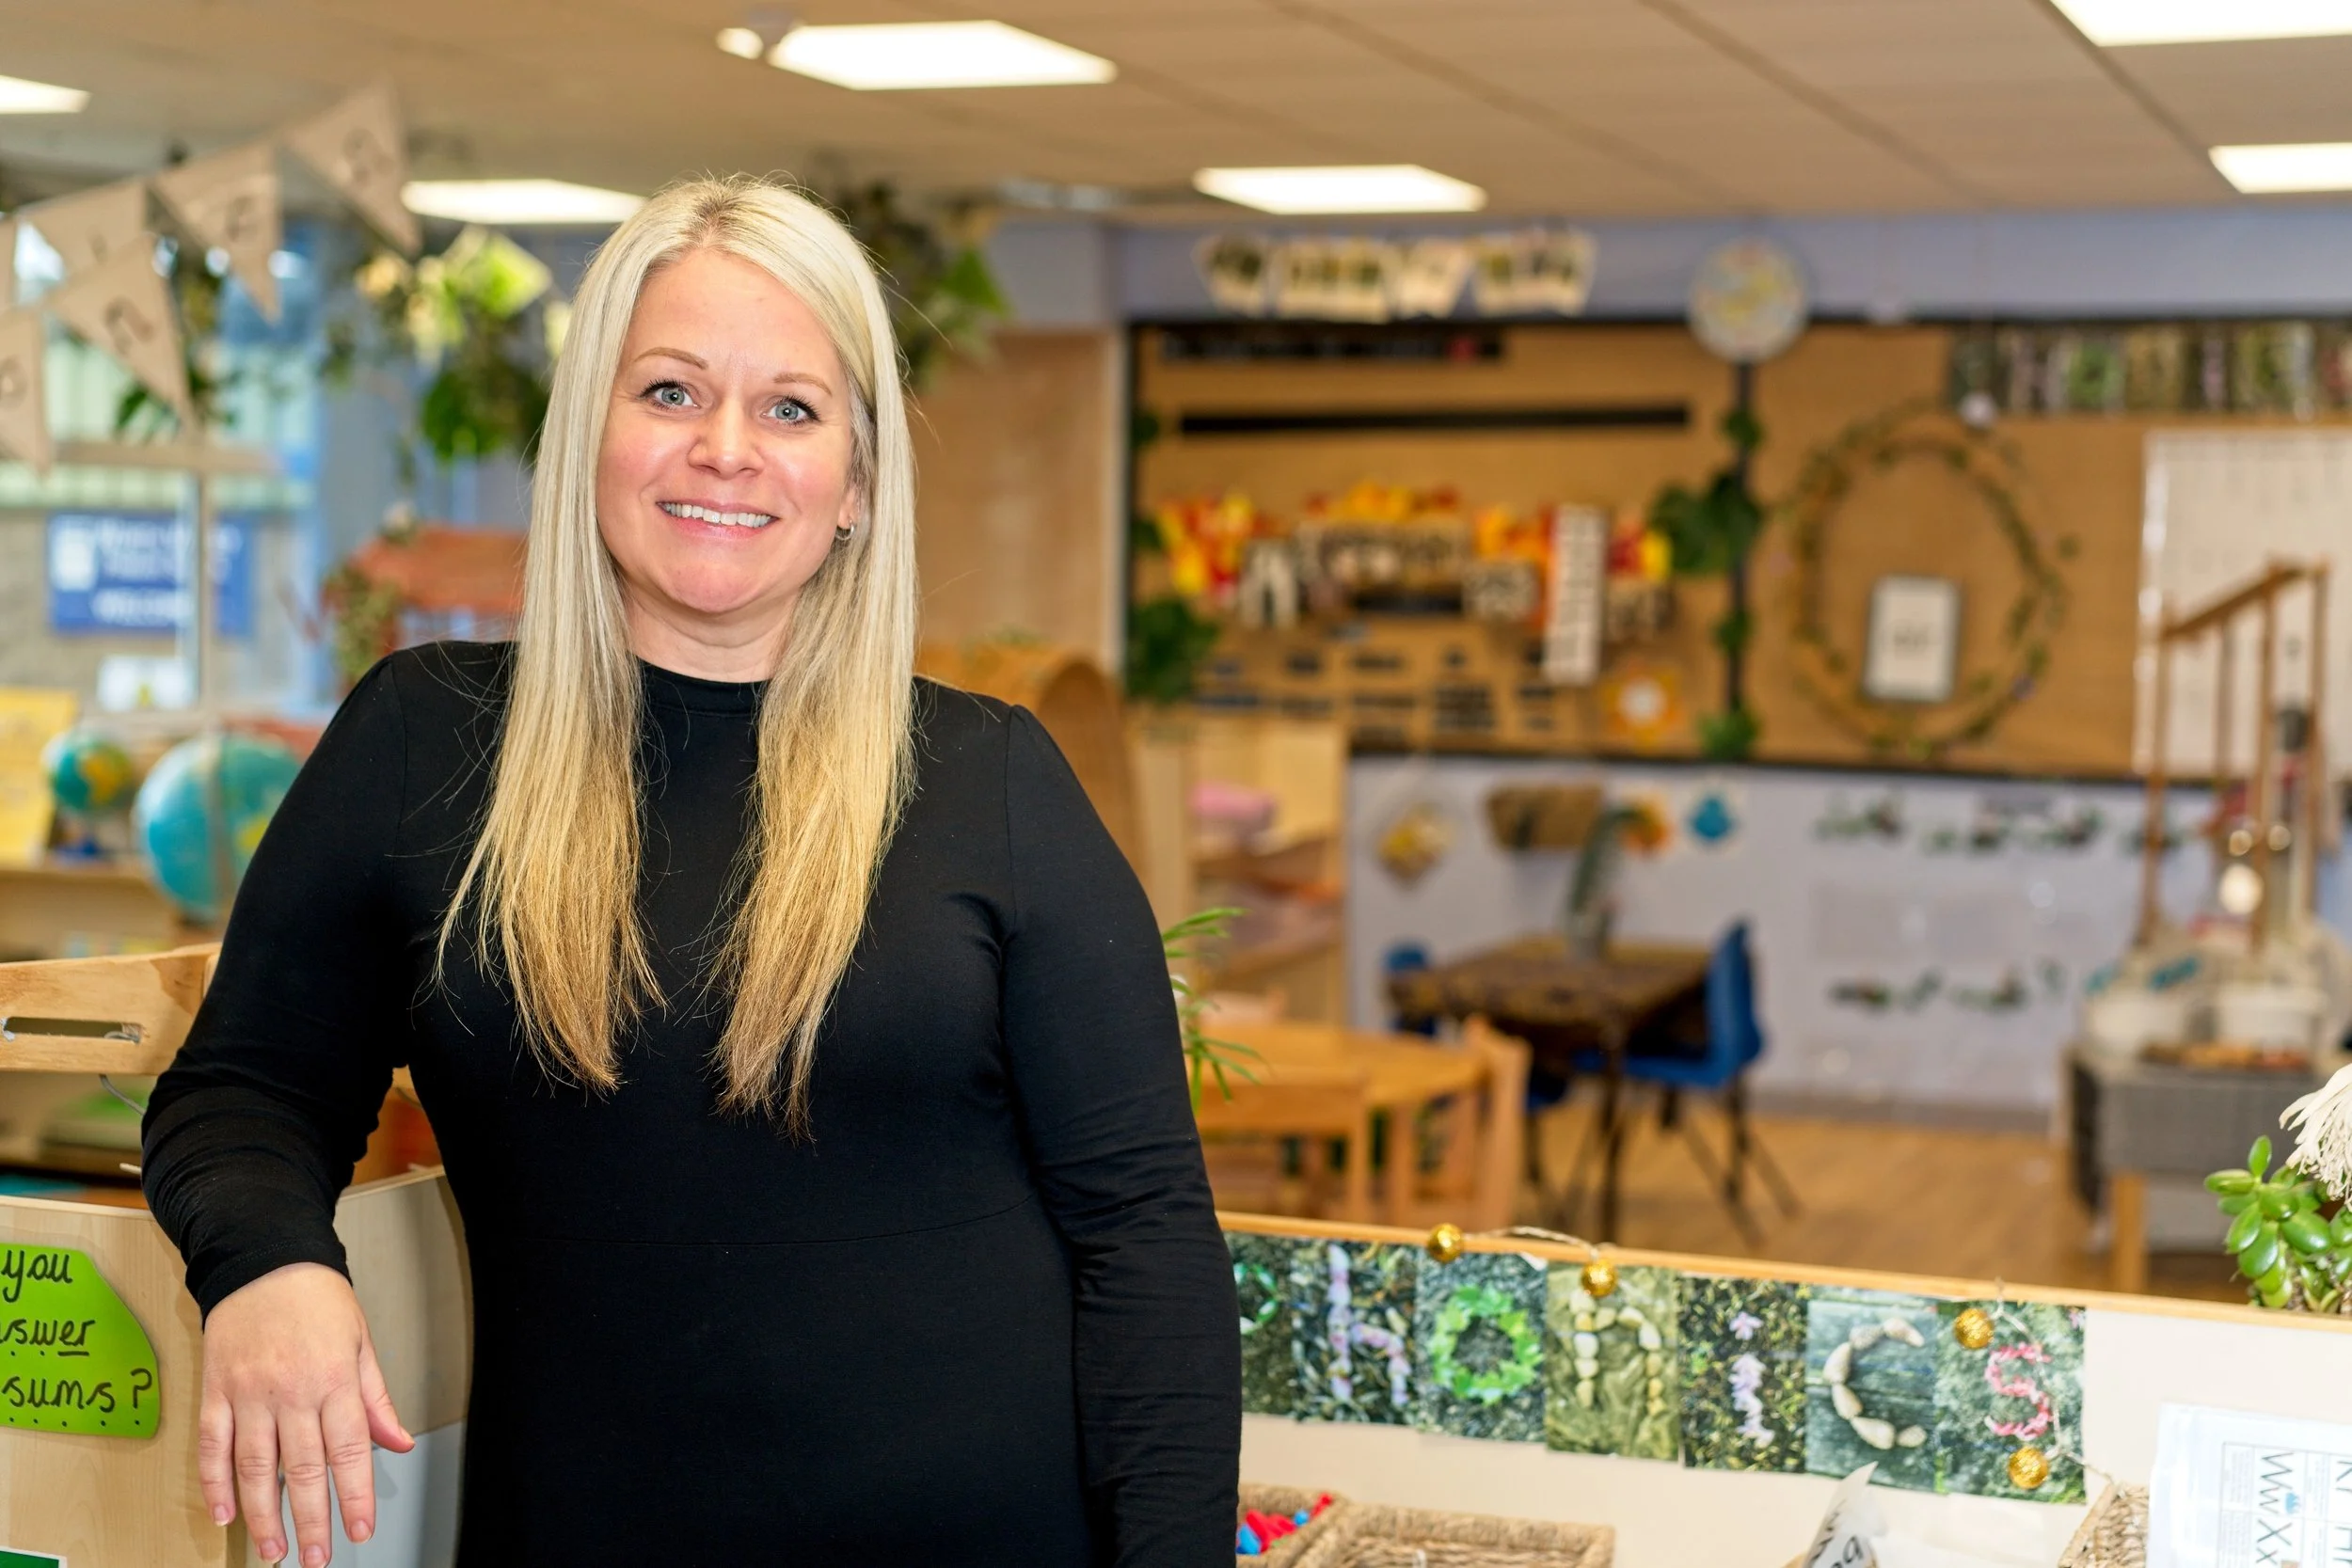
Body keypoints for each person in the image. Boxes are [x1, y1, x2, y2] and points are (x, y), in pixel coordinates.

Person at [141, 175, 1241, 1568]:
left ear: (855, 484)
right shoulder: (424, 743)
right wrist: (272, 1262)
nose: (728, 450)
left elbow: (1145, 1239)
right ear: (588, 431)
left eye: (792, 407)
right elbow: (243, 1092)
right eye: (669, 390)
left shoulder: (991, 782)